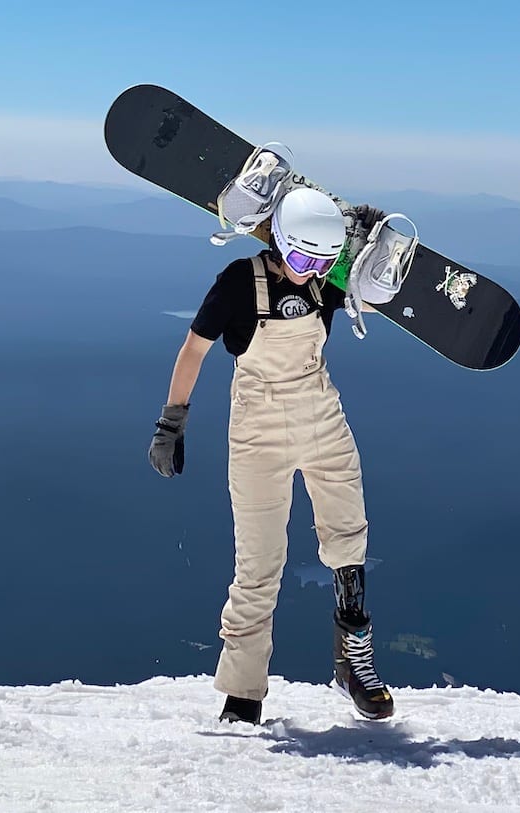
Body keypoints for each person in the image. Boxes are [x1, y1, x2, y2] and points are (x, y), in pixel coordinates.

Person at [148, 187, 393, 724]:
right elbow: (194, 349)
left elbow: (372, 296)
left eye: (322, 264)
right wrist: (172, 421)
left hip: (320, 412)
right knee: (259, 563)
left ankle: (354, 661)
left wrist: (367, 249)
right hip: (257, 431)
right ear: (280, 242)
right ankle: (243, 694)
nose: (310, 274)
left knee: (348, 535)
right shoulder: (239, 282)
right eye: (303, 261)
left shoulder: (324, 283)